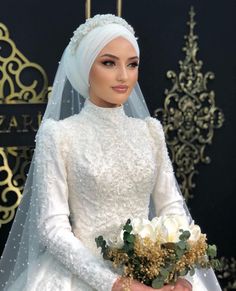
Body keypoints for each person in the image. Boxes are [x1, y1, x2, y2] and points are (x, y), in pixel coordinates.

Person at [0, 14, 222, 291]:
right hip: (82, 275)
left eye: (132, 64)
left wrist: (180, 274)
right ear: (85, 68)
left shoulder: (150, 131)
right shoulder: (59, 135)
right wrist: (114, 283)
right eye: (108, 63)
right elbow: (51, 226)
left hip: (154, 273)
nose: (123, 76)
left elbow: (172, 207)